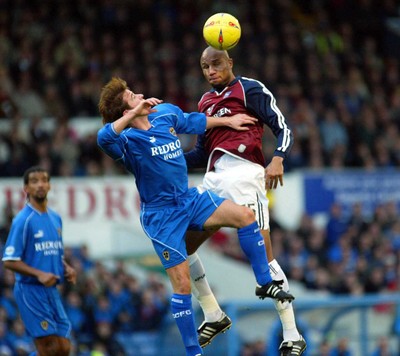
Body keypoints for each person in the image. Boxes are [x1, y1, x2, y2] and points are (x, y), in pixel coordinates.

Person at [96, 77, 294, 356]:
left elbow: (194, 122)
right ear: (124, 109)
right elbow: (103, 137)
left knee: (245, 216)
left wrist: (227, 123)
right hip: (161, 216)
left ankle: (264, 283)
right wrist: (132, 114)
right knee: (182, 287)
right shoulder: (126, 140)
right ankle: (194, 352)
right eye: (131, 95)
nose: (139, 93)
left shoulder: (164, 113)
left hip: (188, 200)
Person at [184, 46, 307, 355]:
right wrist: (167, 159)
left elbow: (283, 127)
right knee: (179, 246)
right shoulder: (205, 102)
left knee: (264, 257)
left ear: (230, 63)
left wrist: (278, 158)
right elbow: (201, 153)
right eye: (204, 66)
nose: (210, 70)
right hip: (213, 179)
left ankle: (292, 334)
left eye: (216, 63)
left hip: (244, 175)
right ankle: (212, 312)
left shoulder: (249, 89)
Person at [1, 166, 77, 356]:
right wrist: (39, 274)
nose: (40, 185)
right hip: (30, 290)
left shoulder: (55, 218)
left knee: (64, 347)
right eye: (34, 181)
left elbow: (55, 252)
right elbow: (9, 260)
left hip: (51, 290)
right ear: (26, 188)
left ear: (49, 185)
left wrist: (67, 268)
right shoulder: (23, 220)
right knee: (49, 347)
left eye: (44, 180)